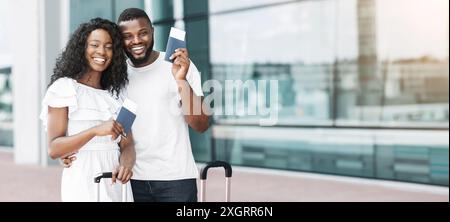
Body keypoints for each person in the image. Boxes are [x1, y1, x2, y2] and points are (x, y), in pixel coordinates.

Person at [117, 8, 209, 202]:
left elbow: (201, 125)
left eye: (142, 33)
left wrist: (181, 80)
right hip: (133, 180)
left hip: (176, 180)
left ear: (152, 31)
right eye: (128, 36)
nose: (136, 41)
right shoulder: (117, 75)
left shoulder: (180, 65)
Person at [40, 18, 135, 202]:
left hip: (116, 184)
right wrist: (94, 131)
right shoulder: (64, 88)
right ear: (82, 49)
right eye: (95, 45)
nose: (101, 51)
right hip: (82, 181)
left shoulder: (116, 95)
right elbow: (54, 148)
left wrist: (126, 164)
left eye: (108, 46)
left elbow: (128, 144)